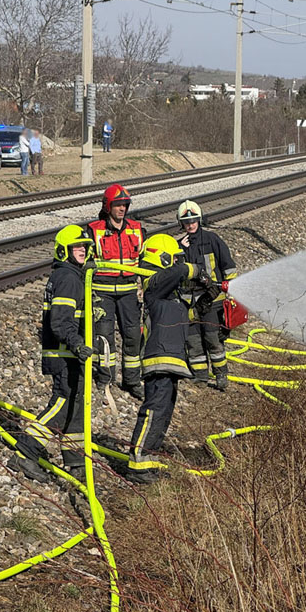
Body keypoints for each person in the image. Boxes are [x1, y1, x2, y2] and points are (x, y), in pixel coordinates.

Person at [8, 225, 101, 483]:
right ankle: (26, 451)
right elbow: (60, 322)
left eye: (84, 245)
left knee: (75, 406)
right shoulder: (69, 278)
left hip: (68, 354)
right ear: (64, 251)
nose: (83, 249)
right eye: (77, 247)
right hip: (64, 355)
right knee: (62, 403)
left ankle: (74, 462)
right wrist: (78, 345)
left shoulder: (69, 275)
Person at [127, 234, 206, 485]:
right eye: (174, 259)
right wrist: (193, 269)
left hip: (173, 360)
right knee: (153, 410)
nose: (178, 263)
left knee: (164, 412)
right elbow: (179, 271)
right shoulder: (154, 283)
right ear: (163, 259)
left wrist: (208, 291)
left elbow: (190, 309)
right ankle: (137, 462)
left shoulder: (171, 292)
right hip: (158, 359)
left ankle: (150, 462)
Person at [87, 184, 145, 400]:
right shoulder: (93, 230)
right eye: (118, 205)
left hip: (129, 293)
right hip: (102, 293)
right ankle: (105, 379)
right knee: (104, 338)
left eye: (125, 205)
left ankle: (132, 380)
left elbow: (145, 258)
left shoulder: (137, 229)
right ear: (107, 206)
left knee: (132, 337)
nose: (122, 209)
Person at [177, 200, 237, 390]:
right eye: (186, 222)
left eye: (193, 220)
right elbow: (176, 272)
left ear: (199, 220)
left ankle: (221, 376)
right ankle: (200, 376)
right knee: (193, 341)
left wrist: (229, 292)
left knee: (212, 339)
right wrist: (181, 250)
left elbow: (229, 267)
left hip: (212, 300)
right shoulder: (180, 246)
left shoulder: (212, 240)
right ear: (181, 224)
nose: (190, 224)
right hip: (190, 303)